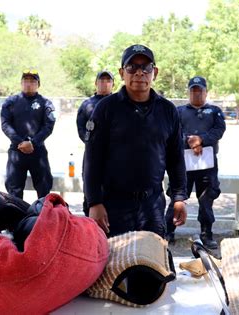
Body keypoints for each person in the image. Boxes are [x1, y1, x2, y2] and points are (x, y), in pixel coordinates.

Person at [84, 44, 187, 238]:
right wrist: (94, 202)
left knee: (152, 264)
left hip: (152, 207)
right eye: (132, 67)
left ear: (154, 72)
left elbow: (176, 159)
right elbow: (92, 160)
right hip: (112, 205)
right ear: (122, 73)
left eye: (146, 67)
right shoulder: (106, 109)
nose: (139, 73)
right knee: (113, 264)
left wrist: (179, 197)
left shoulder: (168, 111)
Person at [165, 76, 225, 249]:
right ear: (189, 92)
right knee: (176, 199)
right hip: (183, 166)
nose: (197, 93)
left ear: (206, 92)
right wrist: (189, 141)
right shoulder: (178, 111)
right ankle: (168, 232)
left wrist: (201, 140)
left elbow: (219, 131)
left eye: (200, 90)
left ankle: (207, 234)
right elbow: (172, 133)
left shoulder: (215, 111)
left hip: (207, 166)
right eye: (193, 90)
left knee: (206, 202)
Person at [1, 70, 56, 199]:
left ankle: (43, 216)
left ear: (38, 84)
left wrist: (33, 143)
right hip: (16, 151)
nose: (29, 84)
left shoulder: (45, 103)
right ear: (21, 83)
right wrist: (20, 142)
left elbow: (48, 126)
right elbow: (5, 124)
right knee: (14, 190)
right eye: (26, 81)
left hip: (38, 151)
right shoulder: (11, 102)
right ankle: (16, 218)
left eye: (32, 81)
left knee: (44, 188)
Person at [76, 70, 114, 216]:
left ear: (113, 84)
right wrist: (94, 144)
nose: (105, 83)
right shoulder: (87, 105)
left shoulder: (118, 103)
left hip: (115, 156)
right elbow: (81, 129)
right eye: (101, 80)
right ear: (96, 83)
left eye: (108, 80)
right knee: (91, 190)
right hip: (93, 154)